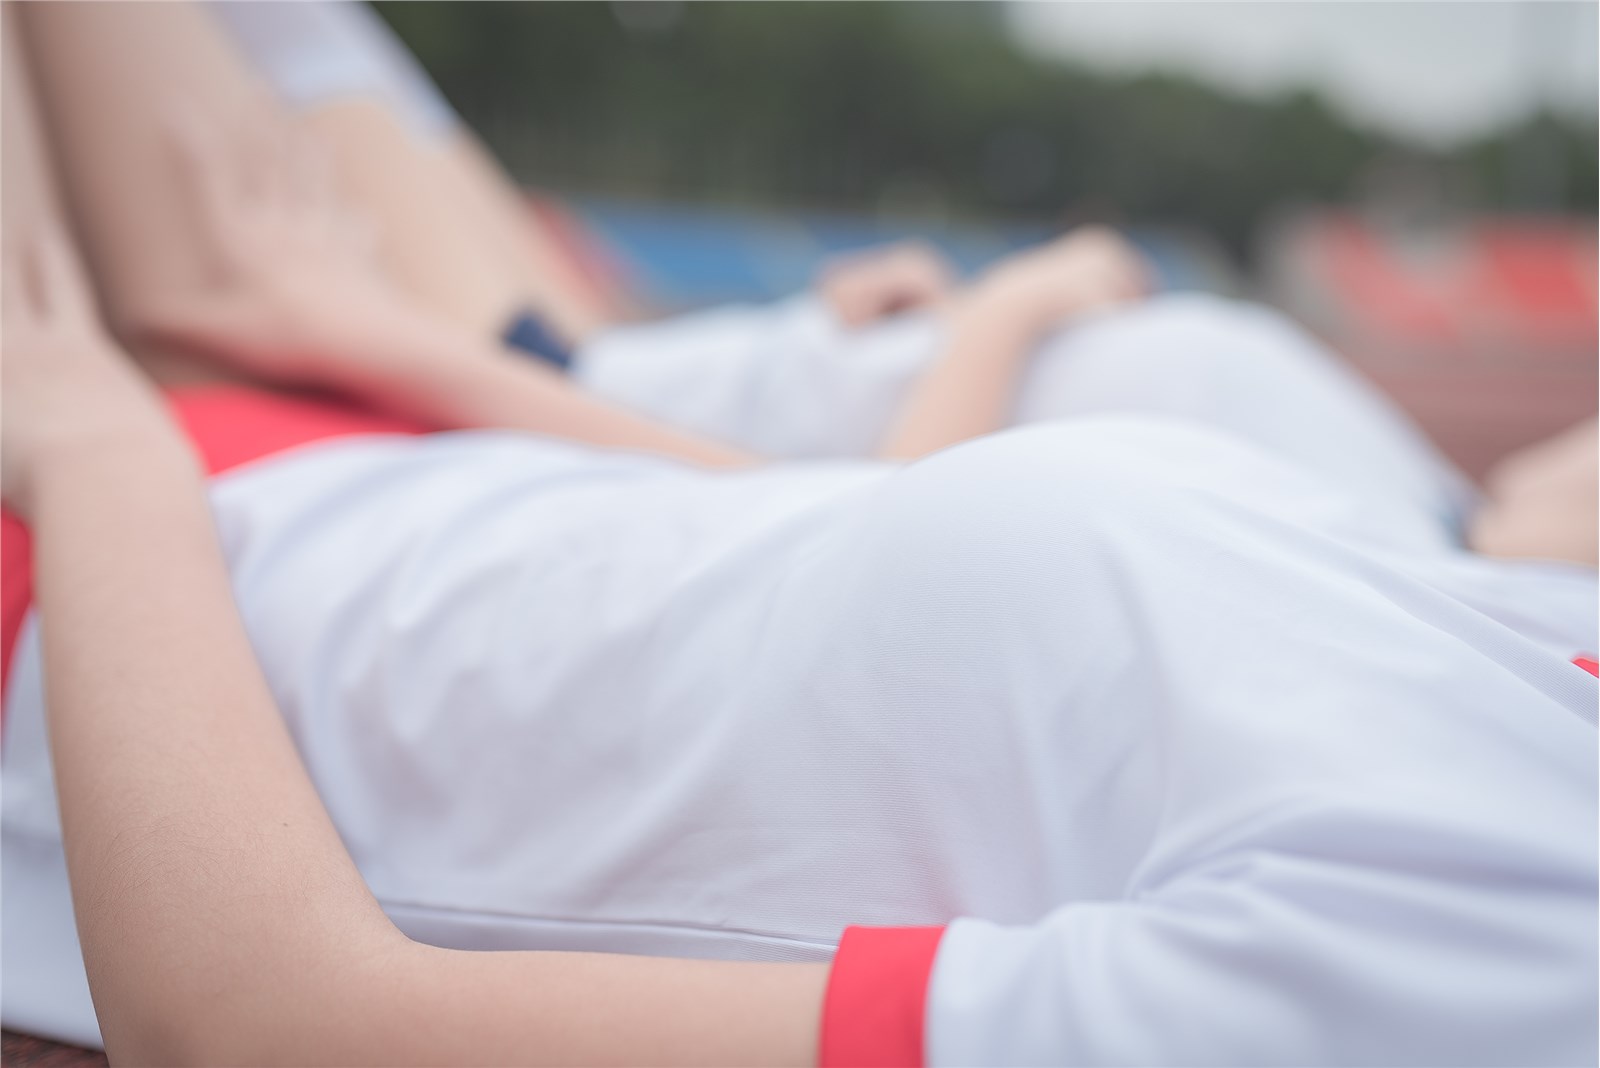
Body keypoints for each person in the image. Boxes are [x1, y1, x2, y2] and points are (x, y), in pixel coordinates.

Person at [3, 3, 1595, 1066]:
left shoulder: (1500, 930)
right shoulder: (1524, 675)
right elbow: (814, 553)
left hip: (158, 584)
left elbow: (277, 1023)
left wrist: (94, 448)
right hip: (396, 453)